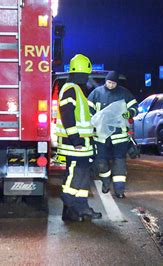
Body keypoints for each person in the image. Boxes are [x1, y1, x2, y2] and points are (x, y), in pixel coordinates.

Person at [55, 54, 102, 222]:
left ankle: (82, 209)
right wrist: (76, 139)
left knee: (83, 176)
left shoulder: (77, 90)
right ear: (80, 73)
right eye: (86, 74)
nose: (87, 78)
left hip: (82, 144)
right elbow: (67, 115)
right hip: (74, 144)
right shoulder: (70, 89)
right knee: (75, 174)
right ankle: (67, 200)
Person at [88, 71, 138, 198]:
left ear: (117, 83)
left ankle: (119, 191)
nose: (110, 85)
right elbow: (89, 111)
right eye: (109, 82)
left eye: (113, 83)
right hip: (101, 136)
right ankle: (106, 182)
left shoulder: (124, 93)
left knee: (119, 163)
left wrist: (126, 115)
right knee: (101, 162)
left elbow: (134, 108)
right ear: (106, 81)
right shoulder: (97, 93)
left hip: (119, 136)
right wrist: (93, 123)